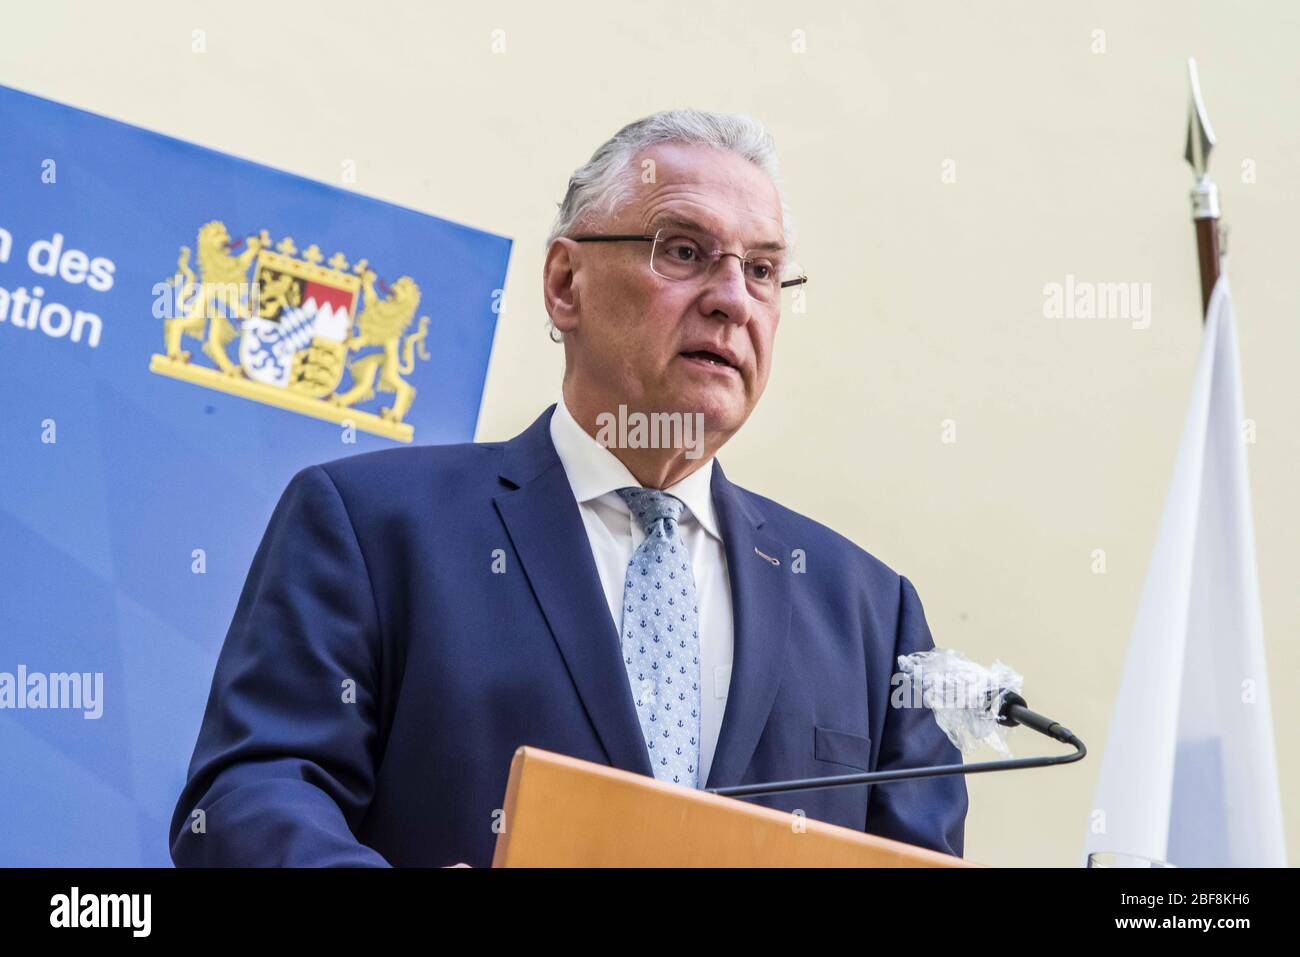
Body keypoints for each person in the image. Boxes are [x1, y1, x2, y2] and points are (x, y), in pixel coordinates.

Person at [170, 109, 967, 867]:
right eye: (684, 251)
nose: (732, 300)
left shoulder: (873, 613)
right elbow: (249, 797)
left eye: (762, 270)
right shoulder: (373, 529)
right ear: (565, 284)